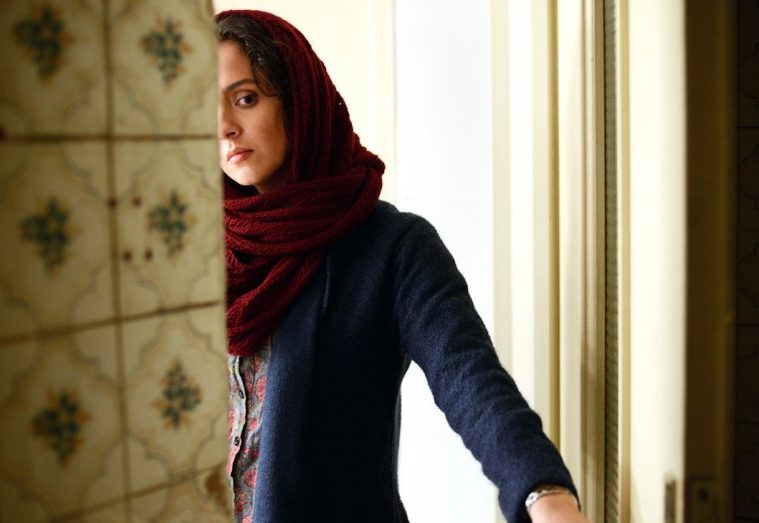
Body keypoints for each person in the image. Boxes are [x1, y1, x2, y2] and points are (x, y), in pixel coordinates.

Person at [217, 9, 591, 523]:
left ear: (299, 99)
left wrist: (542, 491)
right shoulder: (196, 252)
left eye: (246, 98)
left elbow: (469, 375)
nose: (224, 127)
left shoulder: (391, 248)